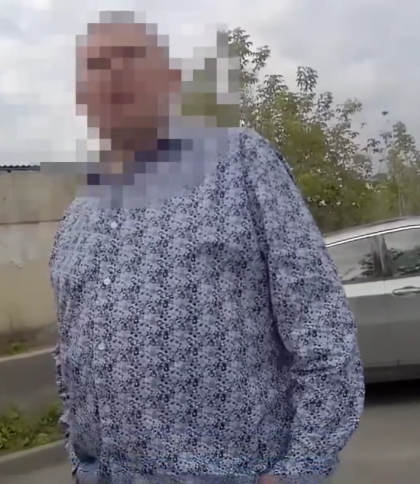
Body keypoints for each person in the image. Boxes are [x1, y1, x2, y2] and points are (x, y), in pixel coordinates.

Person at [50, 14, 365, 484]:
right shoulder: (78, 214)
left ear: (171, 79)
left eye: (130, 57)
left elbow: (322, 329)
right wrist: (81, 463)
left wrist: (299, 470)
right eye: (96, 65)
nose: (113, 74)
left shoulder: (240, 163)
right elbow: (69, 359)